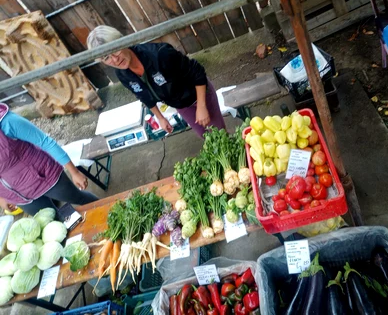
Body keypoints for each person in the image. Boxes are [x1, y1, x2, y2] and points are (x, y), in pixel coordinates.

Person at [86, 26, 226, 138]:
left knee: (220, 135)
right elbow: (143, 96)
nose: (115, 60)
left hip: (199, 95)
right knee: (206, 137)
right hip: (181, 105)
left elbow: (197, 72)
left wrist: (202, 106)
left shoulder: (160, 54)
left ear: (122, 41)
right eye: (106, 58)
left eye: (114, 50)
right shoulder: (122, 74)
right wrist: (160, 117)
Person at [0, 103, 98, 215]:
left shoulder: (6, 121)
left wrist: (74, 172)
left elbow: (45, 141)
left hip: (45, 176)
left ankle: (111, 209)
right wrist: (1, 198)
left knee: (79, 199)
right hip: (17, 196)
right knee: (53, 221)